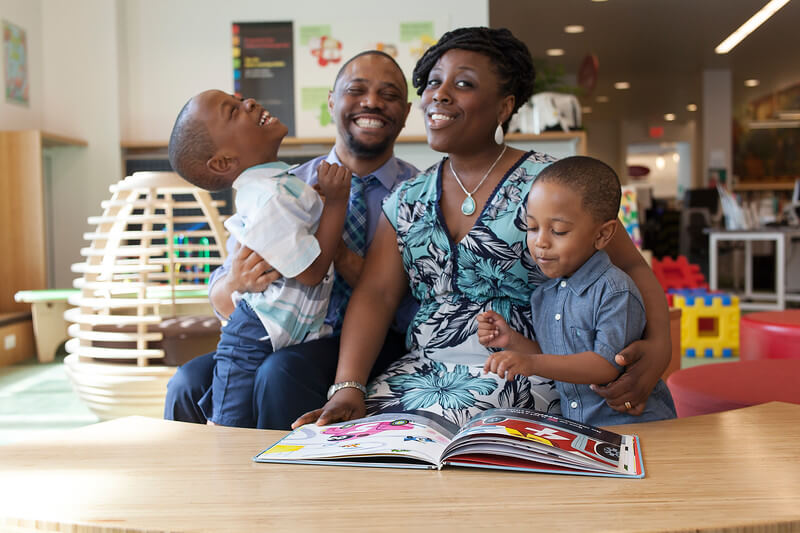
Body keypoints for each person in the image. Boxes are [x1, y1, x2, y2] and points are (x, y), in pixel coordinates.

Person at [294, 27, 672, 429]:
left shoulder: (550, 182)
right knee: (350, 439)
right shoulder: (407, 197)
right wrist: (348, 386)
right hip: (422, 372)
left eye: (463, 84)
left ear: (504, 106)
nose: (439, 94)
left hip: (532, 369)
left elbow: (629, 266)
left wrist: (660, 347)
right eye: (434, 83)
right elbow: (376, 294)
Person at [164, 50, 419, 429]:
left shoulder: (419, 194)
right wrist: (236, 280)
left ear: (406, 112)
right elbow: (223, 286)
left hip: (376, 340)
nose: (372, 102)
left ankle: (275, 483)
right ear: (332, 102)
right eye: (356, 90)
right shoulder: (283, 184)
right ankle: (202, 483)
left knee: (280, 372)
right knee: (186, 382)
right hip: (289, 330)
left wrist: (346, 259)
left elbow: (423, 300)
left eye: (390, 94)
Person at [167, 89, 353, 427]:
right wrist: (337, 205)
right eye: (233, 111)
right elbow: (310, 273)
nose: (249, 103)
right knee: (227, 427)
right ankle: (221, 474)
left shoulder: (285, 185)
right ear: (223, 162)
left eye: (240, 100)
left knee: (235, 412)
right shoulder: (268, 198)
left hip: (285, 331)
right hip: (257, 333)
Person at [478, 156, 676, 425]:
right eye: (532, 227)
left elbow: (605, 365)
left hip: (636, 426)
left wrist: (530, 363)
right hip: (583, 427)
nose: (541, 243)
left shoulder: (615, 291)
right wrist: (511, 341)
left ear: (602, 235)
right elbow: (558, 357)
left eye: (558, 231)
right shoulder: (545, 295)